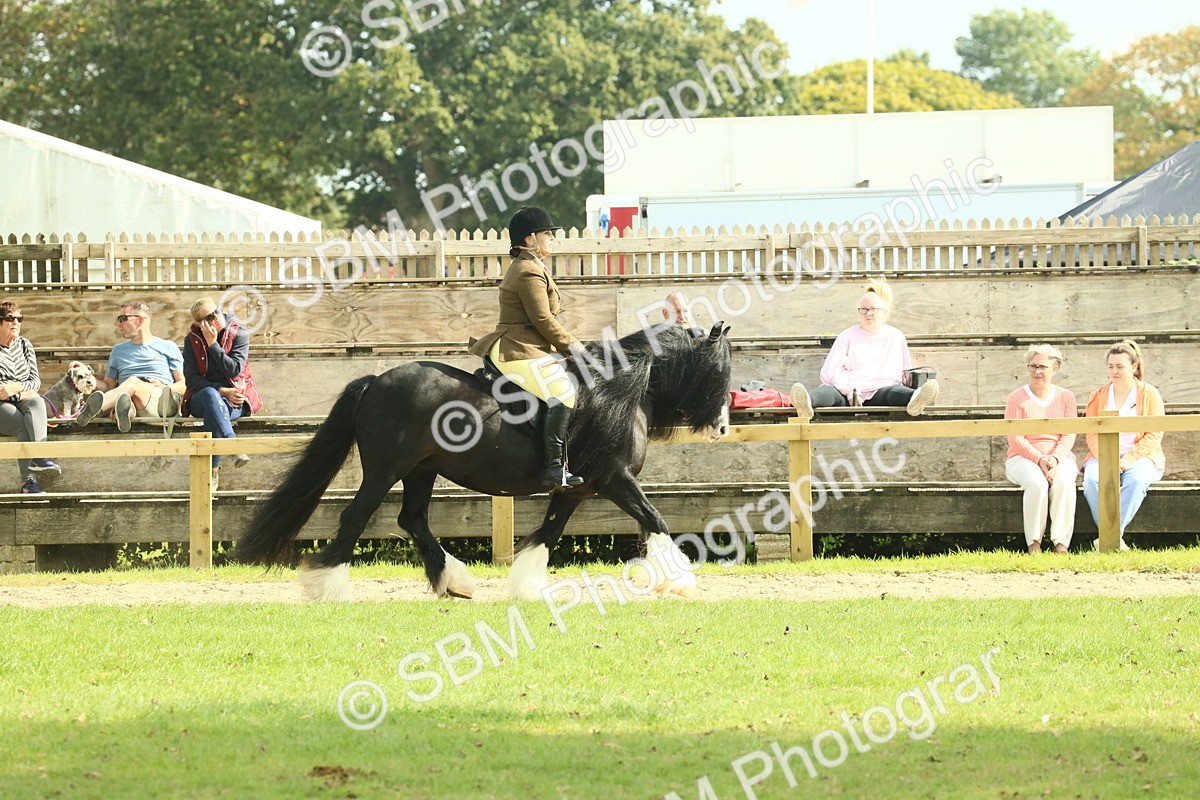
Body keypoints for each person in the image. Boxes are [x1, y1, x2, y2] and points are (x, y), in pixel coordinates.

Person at [469, 206, 583, 488]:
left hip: (528, 346)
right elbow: (542, 319)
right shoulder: (527, 271)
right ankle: (553, 467)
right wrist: (573, 345)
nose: (552, 238)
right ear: (530, 239)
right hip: (517, 347)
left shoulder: (531, 265)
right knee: (565, 393)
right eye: (547, 233)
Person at [789, 278, 940, 420]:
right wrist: (851, 391)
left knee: (892, 392)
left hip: (880, 392)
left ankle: (916, 398)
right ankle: (806, 402)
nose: (868, 313)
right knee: (830, 392)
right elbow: (830, 371)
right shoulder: (847, 336)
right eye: (864, 309)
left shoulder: (896, 336)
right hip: (848, 393)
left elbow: (904, 373)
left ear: (884, 312)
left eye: (873, 309)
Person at [1082, 340, 1165, 551]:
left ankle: (1109, 538)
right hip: (1102, 455)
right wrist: (1105, 457)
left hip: (1140, 457)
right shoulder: (1098, 395)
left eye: (1120, 367)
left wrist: (1127, 460)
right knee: (1092, 482)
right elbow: (1091, 433)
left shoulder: (1149, 393)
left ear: (1134, 367)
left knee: (1135, 480)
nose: (1114, 371)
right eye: (1111, 366)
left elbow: (1154, 434)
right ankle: (1113, 540)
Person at [181, 298, 263, 489]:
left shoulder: (239, 333)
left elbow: (234, 369)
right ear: (200, 324)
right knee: (211, 395)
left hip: (235, 399)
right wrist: (222, 391)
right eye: (209, 317)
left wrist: (213, 346)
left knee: (216, 410)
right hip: (201, 397)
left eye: (216, 311)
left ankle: (213, 469)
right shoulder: (191, 340)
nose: (216, 317)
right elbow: (191, 379)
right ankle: (232, 444)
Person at [1004, 344, 1078, 554]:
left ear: (1055, 368)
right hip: (1022, 458)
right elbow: (1015, 437)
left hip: (1059, 456)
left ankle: (1061, 544)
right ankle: (1034, 544)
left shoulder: (1066, 397)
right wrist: (1040, 460)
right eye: (1033, 366)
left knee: (1064, 482)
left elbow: (1069, 433)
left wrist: (1054, 459)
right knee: (1036, 483)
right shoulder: (1016, 397)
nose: (1037, 371)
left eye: (1042, 367)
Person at [75, 300, 185, 432]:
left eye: (123, 319)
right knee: (125, 400)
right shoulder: (118, 350)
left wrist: (166, 388)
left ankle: (96, 410)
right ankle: (124, 415)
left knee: (132, 383)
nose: (118, 324)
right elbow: (108, 387)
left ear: (139, 320)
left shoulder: (167, 346)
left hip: (161, 403)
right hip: (129, 398)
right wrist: (88, 377)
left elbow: (184, 384)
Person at [0, 301, 61, 493]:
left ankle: (40, 456)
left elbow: (35, 381)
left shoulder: (25, 345)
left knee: (36, 400)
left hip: (20, 398)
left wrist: (16, 388)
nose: (15, 322)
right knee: (22, 425)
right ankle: (27, 481)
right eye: (10, 318)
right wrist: (17, 392)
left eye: (19, 319)